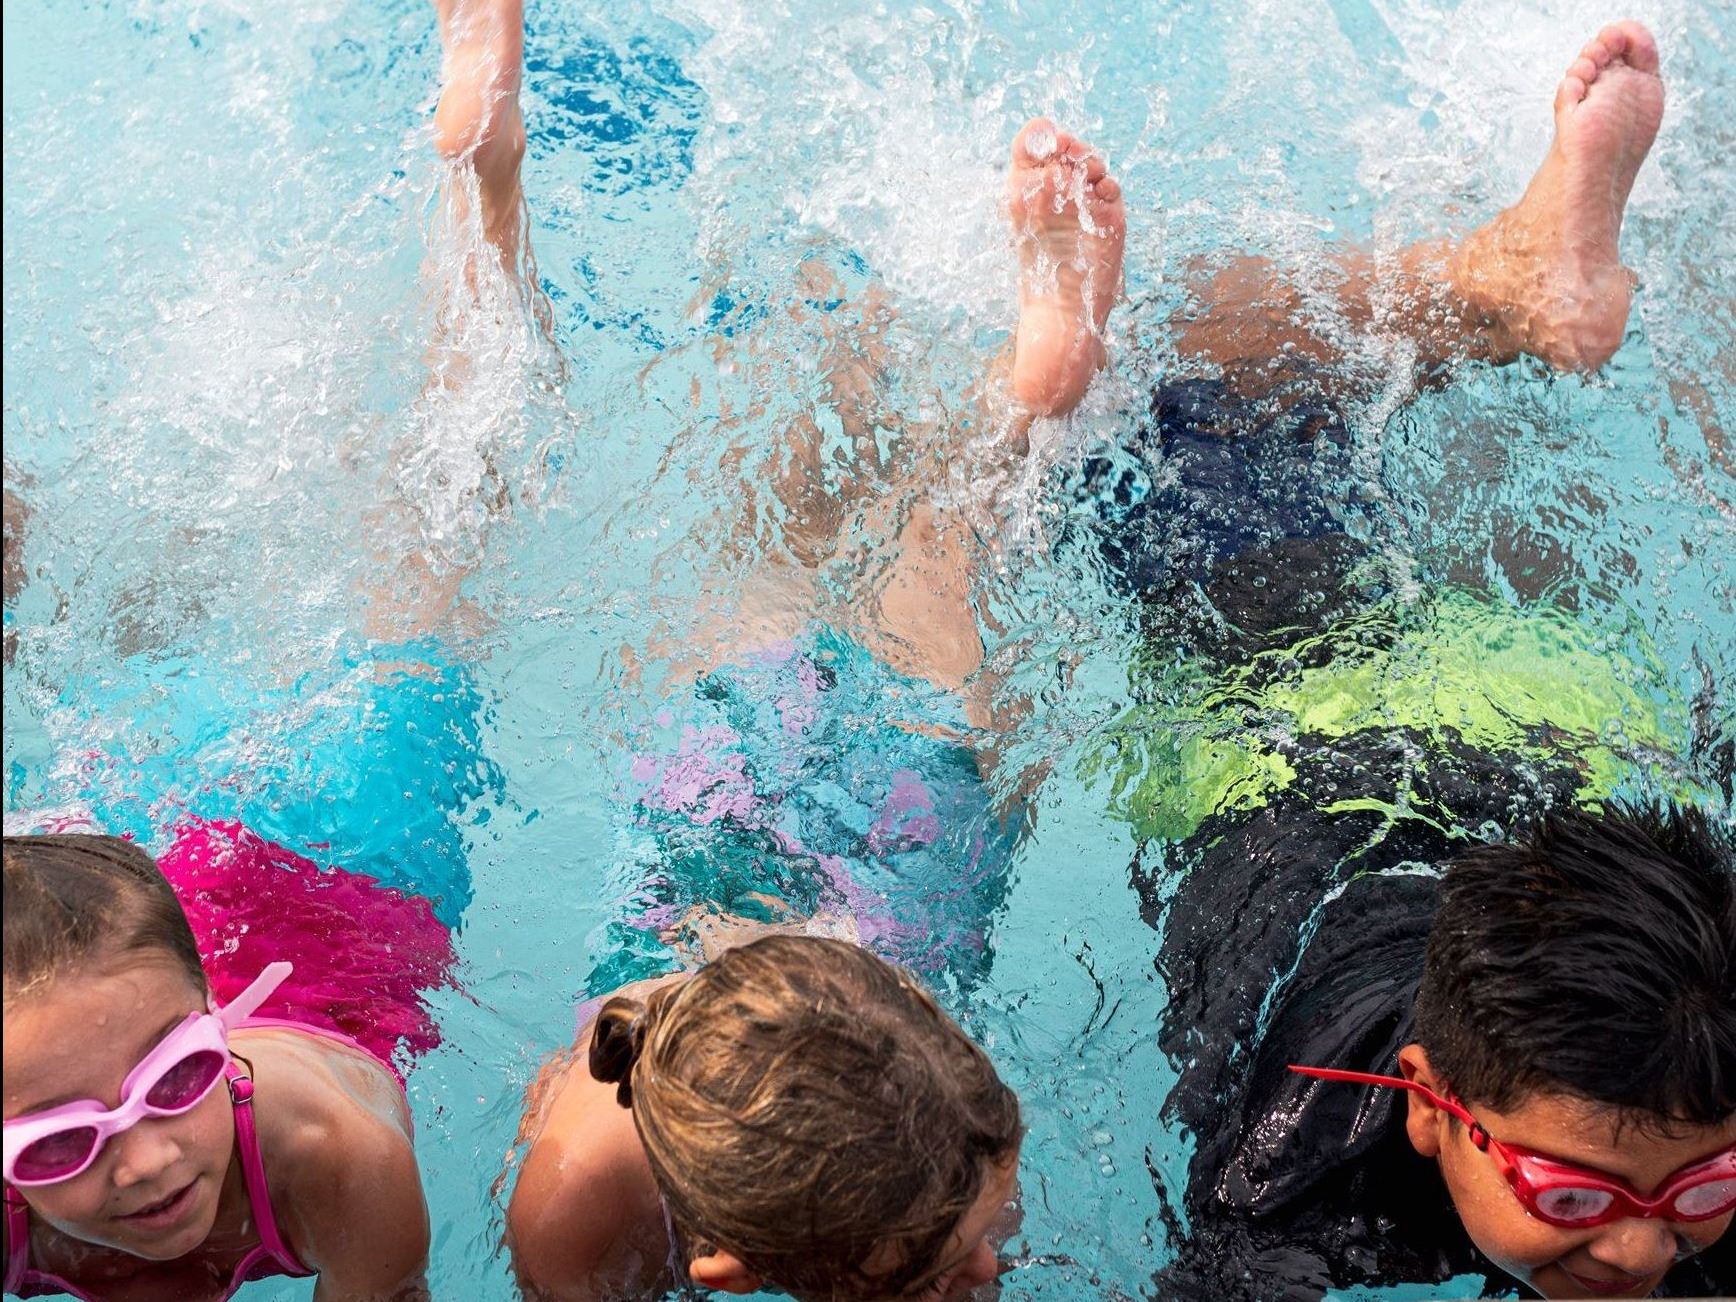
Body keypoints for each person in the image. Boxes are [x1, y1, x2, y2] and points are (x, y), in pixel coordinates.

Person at [1153, 802, 1735, 1301]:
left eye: (1709, 1184)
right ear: (1430, 1105)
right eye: (1573, 1196)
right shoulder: (1282, 1191)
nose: (1638, 1253)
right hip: (1285, 840)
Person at [2, 834, 433, 1300]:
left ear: (213, 1020)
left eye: (176, 1076)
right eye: (60, 1139)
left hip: (327, 985)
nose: (148, 1163)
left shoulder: (340, 1159)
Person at [504, 934, 1022, 1300]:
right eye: (929, 1281)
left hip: (821, 947)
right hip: (657, 937)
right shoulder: (573, 1227)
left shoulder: (953, 1143)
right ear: (733, 1274)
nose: (988, 1268)